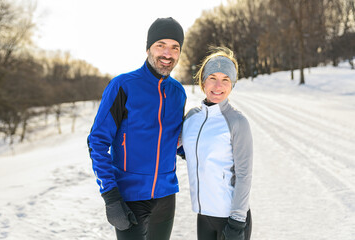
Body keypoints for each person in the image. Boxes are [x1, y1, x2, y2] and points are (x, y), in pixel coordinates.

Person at [87, 17, 186, 240]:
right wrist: (111, 196)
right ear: (148, 47)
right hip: (129, 197)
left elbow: (174, 141)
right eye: (160, 45)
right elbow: (97, 142)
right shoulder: (123, 86)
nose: (167, 54)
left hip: (166, 197)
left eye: (174, 47)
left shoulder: (178, 93)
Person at [180, 47, 253, 240]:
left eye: (225, 79)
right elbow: (190, 151)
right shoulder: (192, 117)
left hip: (230, 218)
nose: (218, 85)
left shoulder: (237, 122)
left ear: (232, 84)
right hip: (203, 215)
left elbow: (244, 174)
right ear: (203, 81)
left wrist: (237, 221)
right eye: (212, 77)